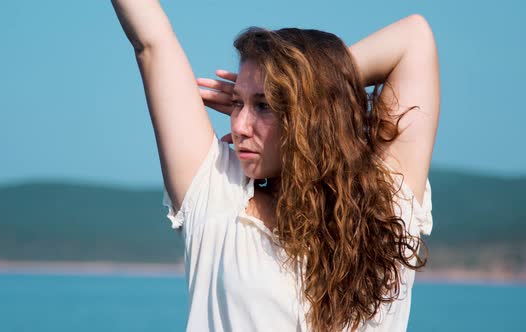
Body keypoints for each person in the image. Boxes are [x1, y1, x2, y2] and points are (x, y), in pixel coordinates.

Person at [111, 1, 439, 331]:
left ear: (314, 116)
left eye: (264, 105)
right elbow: (150, 42)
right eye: (238, 103)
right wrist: (306, 90)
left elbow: (414, 38)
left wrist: (308, 89)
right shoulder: (219, 198)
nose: (239, 125)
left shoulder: (385, 214)